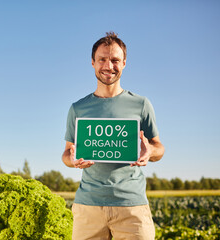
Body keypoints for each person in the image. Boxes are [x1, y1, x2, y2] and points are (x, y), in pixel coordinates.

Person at [62, 32, 165, 240]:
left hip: (132, 207)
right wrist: (72, 161)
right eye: (102, 59)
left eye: (115, 60)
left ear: (124, 63)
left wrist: (150, 151)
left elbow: (158, 148)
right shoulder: (78, 108)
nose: (108, 66)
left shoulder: (141, 104)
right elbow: (66, 153)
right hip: (88, 207)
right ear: (92, 62)